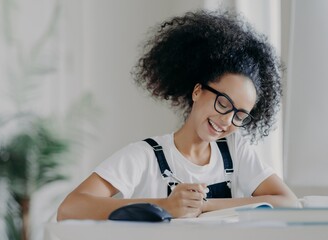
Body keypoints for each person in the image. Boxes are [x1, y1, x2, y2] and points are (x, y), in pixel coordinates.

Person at [57, 10, 299, 221]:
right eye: (223, 103)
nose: (227, 120)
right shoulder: (145, 156)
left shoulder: (236, 151)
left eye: (239, 115)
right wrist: (164, 206)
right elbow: (70, 208)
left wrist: (205, 206)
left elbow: (288, 202)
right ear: (197, 91)